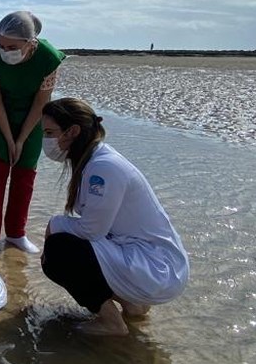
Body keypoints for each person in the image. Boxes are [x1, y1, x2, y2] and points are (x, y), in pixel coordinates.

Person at [39, 97, 189, 336]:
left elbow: (92, 231)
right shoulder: (93, 161)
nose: (46, 140)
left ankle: (111, 322)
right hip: (148, 260)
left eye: (49, 132)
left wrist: (54, 224)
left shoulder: (103, 168)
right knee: (67, 243)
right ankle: (132, 304)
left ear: (73, 131)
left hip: (157, 268)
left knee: (58, 252)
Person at [0, 11, 65, 257]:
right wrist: (9, 139)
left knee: (24, 177)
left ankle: (16, 233)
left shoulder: (48, 59)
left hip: (32, 117)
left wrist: (21, 139)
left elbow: (42, 102)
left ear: (30, 43)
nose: (4, 50)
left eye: (12, 46)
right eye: (1, 45)